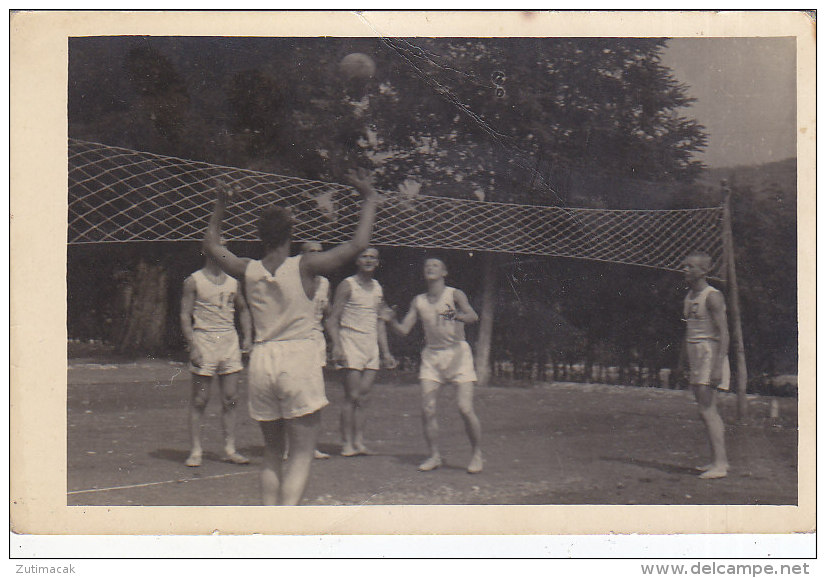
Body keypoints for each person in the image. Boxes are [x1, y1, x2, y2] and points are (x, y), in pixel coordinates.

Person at [202, 169, 380, 505]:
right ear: (289, 234)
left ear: (261, 236)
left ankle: (271, 528)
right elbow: (358, 244)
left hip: (262, 360)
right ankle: (285, 526)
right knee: (301, 454)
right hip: (298, 358)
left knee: (272, 453)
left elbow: (211, 244)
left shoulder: (246, 268)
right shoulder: (305, 265)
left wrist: (220, 205)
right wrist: (369, 198)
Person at [380, 257, 483, 474]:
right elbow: (404, 330)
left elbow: (473, 316)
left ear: (444, 272)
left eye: (435, 265)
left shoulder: (454, 294)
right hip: (432, 357)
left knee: (465, 408)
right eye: (427, 265)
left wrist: (455, 315)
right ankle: (434, 455)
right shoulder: (419, 301)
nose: (430, 267)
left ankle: (476, 454)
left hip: (458, 354)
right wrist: (390, 321)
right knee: (428, 409)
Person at [180, 247, 253, 467]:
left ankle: (230, 449)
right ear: (206, 250)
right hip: (205, 340)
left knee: (230, 398)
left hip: (228, 341)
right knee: (200, 399)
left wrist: (247, 336)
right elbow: (185, 314)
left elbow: (243, 309)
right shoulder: (194, 281)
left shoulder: (233, 281)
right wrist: (192, 346)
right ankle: (195, 450)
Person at [326, 247, 397, 457]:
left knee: (364, 397)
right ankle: (346, 442)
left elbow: (380, 322)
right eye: (364, 256)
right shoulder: (347, 285)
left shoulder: (377, 287)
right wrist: (337, 345)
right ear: (357, 260)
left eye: (373, 257)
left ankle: (359, 441)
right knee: (352, 395)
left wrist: (385, 353)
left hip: (370, 345)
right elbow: (332, 319)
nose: (368, 260)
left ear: (377, 262)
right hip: (350, 342)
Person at [676, 252, 730, 480]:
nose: (685, 270)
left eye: (690, 267)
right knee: (705, 411)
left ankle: (721, 464)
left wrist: (718, 366)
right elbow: (688, 331)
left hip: (710, 353)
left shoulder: (713, 296)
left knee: (707, 410)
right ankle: (717, 460)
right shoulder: (689, 297)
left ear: (703, 271)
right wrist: (680, 362)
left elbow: (724, 333)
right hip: (695, 352)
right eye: (684, 266)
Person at [302, 241, 332, 461]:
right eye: (311, 252)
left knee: (315, 395)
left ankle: (311, 445)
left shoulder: (325, 283)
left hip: (316, 342)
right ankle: (289, 446)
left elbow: (326, 312)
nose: (316, 256)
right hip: (294, 341)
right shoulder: (293, 279)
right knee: (293, 393)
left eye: (320, 252)